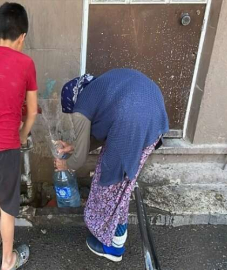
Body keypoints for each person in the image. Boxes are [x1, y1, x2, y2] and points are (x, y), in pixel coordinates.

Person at [55, 69, 169, 262]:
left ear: (72, 104)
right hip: (153, 117)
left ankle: (112, 247)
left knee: (108, 187)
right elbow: (103, 132)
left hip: (130, 126)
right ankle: (117, 239)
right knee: (122, 189)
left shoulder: (80, 108)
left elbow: (80, 158)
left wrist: (65, 164)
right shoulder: (98, 88)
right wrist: (74, 147)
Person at [0, 2, 38, 269]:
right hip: (6, 148)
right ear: (22, 37)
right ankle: (8, 261)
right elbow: (32, 111)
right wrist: (22, 135)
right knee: (8, 209)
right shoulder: (26, 63)